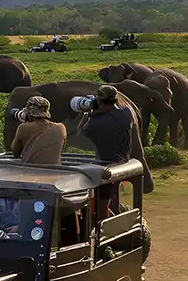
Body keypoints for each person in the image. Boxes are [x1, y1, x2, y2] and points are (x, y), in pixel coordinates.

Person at [78, 85, 134, 220]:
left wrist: (88, 114)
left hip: (106, 167)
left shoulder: (95, 122)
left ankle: (106, 229)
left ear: (99, 102)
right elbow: (118, 111)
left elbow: (81, 131)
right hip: (124, 162)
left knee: (102, 204)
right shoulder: (127, 114)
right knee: (110, 200)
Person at [11, 96, 67, 165]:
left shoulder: (23, 128)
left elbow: (15, 153)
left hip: (30, 171)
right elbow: (60, 151)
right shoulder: (61, 128)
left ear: (29, 114)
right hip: (55, 172)